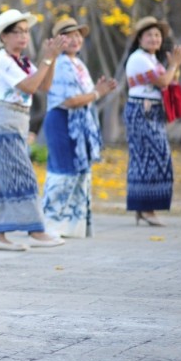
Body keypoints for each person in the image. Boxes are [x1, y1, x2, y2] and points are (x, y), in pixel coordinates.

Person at [0, 9, 67, 251]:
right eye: (17, 32)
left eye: (26, 32)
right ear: (4, 37)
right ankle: (36, 230)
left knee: (8, 178)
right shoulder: (2, 59)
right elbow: (30, 87)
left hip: (17, 120)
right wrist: (48, 59)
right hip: (4, 119)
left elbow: (45, 84)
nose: (23, 36)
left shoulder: (23, 61)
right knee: (24, 175)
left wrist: (50, 59)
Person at [39, 16, 117, 238]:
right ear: (58, 41)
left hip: (80, 124)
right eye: (68, 36)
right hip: (62, 120)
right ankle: (51, 224)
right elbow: (69, 100)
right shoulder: (61, 63)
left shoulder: (79, 64)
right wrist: (97, 93)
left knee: (80, 173)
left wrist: (97, 92)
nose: (74, 40)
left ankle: (73, 225)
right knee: (63, 172)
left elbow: (85, 97)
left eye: (77, 35)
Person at [124, 16, 181, 227]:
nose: (154, 38)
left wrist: (172, 67)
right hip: (142, 111)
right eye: (149, 34)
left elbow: (170, 82)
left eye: (157, 35)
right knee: (149, 158)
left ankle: (144, 207)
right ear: (140, 39)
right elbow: (163, 81)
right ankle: (145, 208)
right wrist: (175, 65)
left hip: (152, 112)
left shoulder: (153, 60)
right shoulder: (139, 57)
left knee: (154, 158)